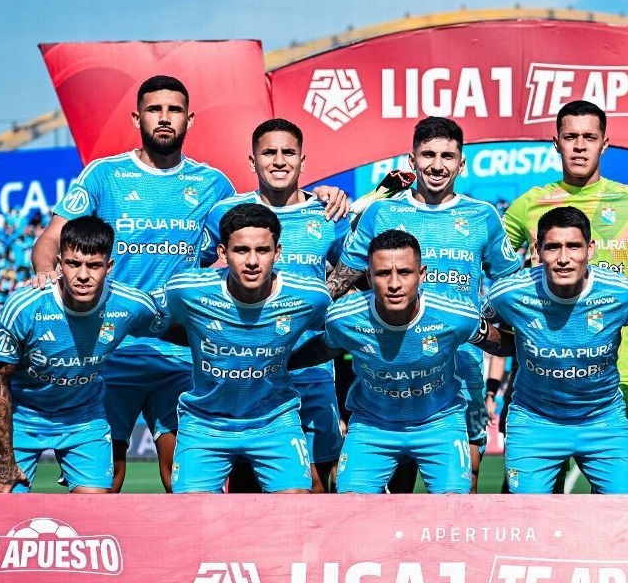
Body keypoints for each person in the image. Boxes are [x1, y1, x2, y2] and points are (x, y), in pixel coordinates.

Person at [33, 75, 347, 492]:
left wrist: (322, 195)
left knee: (184, 476)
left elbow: (261, 225)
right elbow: (52, 240)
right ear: (137, 118)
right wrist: (45, 277)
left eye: (174, 110)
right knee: (105, 474)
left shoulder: (214, 186)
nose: (164, 118)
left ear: (189, 119)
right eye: (154, 109)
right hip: (112, 346)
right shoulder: (104, 175)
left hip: (184, 352)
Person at [327, 117, 521, 491]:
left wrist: (480, 315)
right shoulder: (382, 213)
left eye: (447, 156)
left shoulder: (482, 216)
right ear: (412, 159)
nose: (437, 165)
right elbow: (342, 279)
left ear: (461, 163)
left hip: (462, 366)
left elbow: (509, 286)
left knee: (467, 474)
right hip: (391, 363)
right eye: (428, 154)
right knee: (392, 481)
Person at [501, 100, 628, 490]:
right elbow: (489, 260)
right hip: (541, 381)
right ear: (556, 143)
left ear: (605, 143)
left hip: (616, 378)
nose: (580, 146)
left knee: (626, 499)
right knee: (532, 507)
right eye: (571, 137)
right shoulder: (528, 205)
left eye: (589, 137)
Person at [201, 118, 351, 492]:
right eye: (269, 152)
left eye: (289, 152)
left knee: (316, 482)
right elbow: (195, 270)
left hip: (312, 367)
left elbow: (354, 272)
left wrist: (329, 294)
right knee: (246, 482)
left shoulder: (328, 213)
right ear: (253, 161)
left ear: (303, 160)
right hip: (246, 371)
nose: (279, 160)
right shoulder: (225, 213)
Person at [156, 203, 331, 493]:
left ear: (277, 252)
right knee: (192, 512)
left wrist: (292, 360)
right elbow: (152, 320)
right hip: (205, 424)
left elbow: (338, 335)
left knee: (297, 502)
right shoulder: (185, 290)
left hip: (275, 422)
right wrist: (202, 340)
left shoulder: (311, 296)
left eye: (262, 250)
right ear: (222, 253)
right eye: (241, 250)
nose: (252, 261)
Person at [0, 216, 164, 493]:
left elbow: (175, 329)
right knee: (5, 508)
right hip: (22, 418)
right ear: (59, 264)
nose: (83, 275)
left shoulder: (131, 304)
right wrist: (6, 460)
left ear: (109, 267)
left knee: (94, 507)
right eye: (73, 263)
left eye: (94, 265)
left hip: (84, 418)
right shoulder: (25, 306)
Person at [315, 230, 496, 494]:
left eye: (404, 272)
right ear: (368, 277)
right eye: (383, 273)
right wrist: (282, 362)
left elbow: (500, 343)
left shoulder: (457, 314)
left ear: (421, 274)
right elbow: (323, 349)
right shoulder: (343, 318)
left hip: (440, 423)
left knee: (455, 505)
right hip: (372, 426)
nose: (394, 284)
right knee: (350, 506)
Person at [482, 206, 628, 494]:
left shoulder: (623, 295)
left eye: (574, 246)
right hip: (534, 423)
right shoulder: (509, 294)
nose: (563, 258)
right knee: (527, 516)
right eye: (553, 247)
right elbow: (476, 326)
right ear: (538, 251)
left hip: (604, 421)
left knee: (625, 512)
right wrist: (503, 347)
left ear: (590, 249)